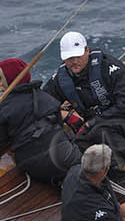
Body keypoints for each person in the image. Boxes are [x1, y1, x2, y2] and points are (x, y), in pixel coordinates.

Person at [44, 32, 125, 192]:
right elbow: (43, 104)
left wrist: (94, 122)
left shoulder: (109, 68)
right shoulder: (60, 80)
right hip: (104, 136)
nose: (74, 62)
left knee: (100, 130)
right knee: (80, 146)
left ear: (87, 50)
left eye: (78, 56)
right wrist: (66, 115)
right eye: (69, 58)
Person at [0, 57, 81, 185]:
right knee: (90, 172)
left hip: (31, 164)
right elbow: (60, 126)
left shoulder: (3, 108)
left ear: (9, 81)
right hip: (62, 153)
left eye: (1, 79)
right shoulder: (47, 98)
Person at [58, 144, 125, 221]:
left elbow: (105, 186)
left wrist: (117, 207)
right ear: (105, 170)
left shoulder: (74, 170)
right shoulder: (100, 208)